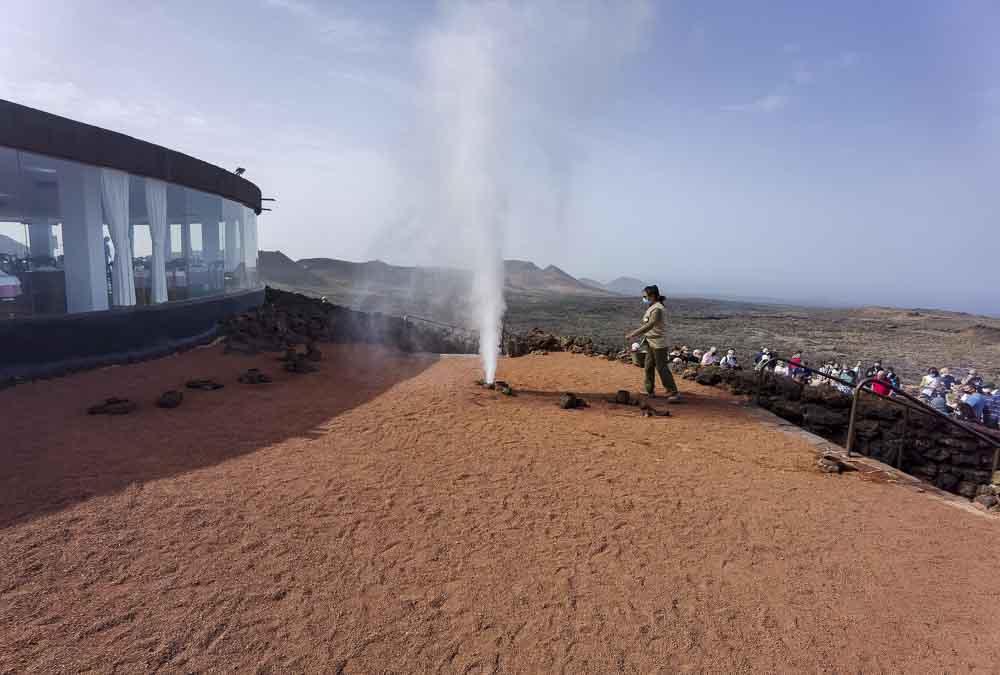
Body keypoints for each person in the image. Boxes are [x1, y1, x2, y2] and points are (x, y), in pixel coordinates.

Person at [626, 285, 679, 401]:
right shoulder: (653, 306)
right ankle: (649, 390)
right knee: (648, 366)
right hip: (650, 341)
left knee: (661, 367)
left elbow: (650, 325)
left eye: (645, 296)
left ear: (653, 296)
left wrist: (633, 334)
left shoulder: (657, 309)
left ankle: (673, 393)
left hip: (658, 342)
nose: (643, 298)